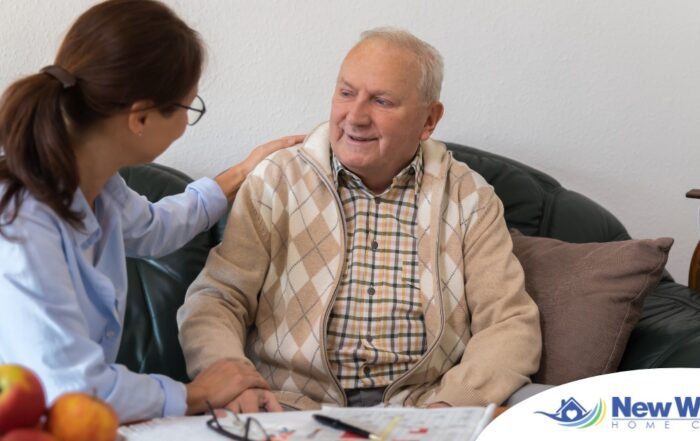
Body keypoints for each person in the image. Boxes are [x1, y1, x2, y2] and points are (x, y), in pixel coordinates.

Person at [178, 27, 542, 412]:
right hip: (288, 404)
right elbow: (218, 298)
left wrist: (452, 407)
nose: (355, 117)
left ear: (429, 120)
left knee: (548, 413)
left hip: (426, 407)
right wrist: (234, 380)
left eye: (381, 101)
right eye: (346, 93)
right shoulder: (277, 180)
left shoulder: (470, 197)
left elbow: (509, 322)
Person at [0, 0, 303, 423]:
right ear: (140, 117)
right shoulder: (23, 224)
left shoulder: (96, 181)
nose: (184, 124)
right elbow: (73, 385)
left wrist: (241, 172)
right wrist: (195, 393)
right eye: (187, 108)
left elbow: (154, 227)